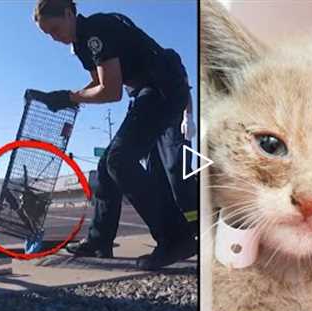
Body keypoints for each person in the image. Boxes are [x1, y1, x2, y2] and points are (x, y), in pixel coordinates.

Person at [29, 0, 196, 270]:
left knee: (120, 160)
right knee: (107, 166)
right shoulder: (82, 43)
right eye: (48, 34)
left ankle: (177, 237)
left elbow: (111, 91)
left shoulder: (95, 32)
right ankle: (99, 240)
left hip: (163, 88)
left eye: (55, 28)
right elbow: (98, 83)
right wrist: (67, 98)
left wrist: (69, 97)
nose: (54, 37)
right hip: (147, 91)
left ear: (69, 14)